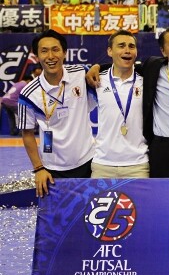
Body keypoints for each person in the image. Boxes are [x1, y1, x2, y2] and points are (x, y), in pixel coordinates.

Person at [18, 30, 95, 197]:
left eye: (55, 49)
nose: (51, 56)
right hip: (52, 168)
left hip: (89, 161)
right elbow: (27, 133)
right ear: (37, 56)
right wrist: (38, 168)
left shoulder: (81, 73)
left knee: (91, 210)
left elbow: (109, 75)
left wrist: (97, 67)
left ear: (64, 53)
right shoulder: (28, 93)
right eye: (44, 51)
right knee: (60, 213)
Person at [89, 30, 148, 178]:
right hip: (102, 164)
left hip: (138, 165)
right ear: (110, 51)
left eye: (131, 46)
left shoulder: (146, 81)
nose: (127, 50)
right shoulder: (96, 80)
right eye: (121, 46)